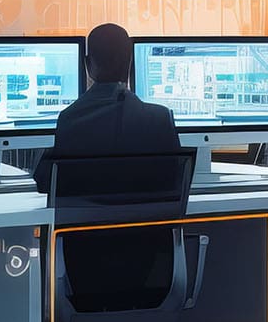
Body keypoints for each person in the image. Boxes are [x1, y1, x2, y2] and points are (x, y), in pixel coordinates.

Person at [32, 22, 179, 194]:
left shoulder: (69, 119)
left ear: (88, 65)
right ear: (130, 62)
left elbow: (47, 184)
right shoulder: (160, 118)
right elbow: (176, 181)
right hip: (144, 211)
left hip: (87, 212)